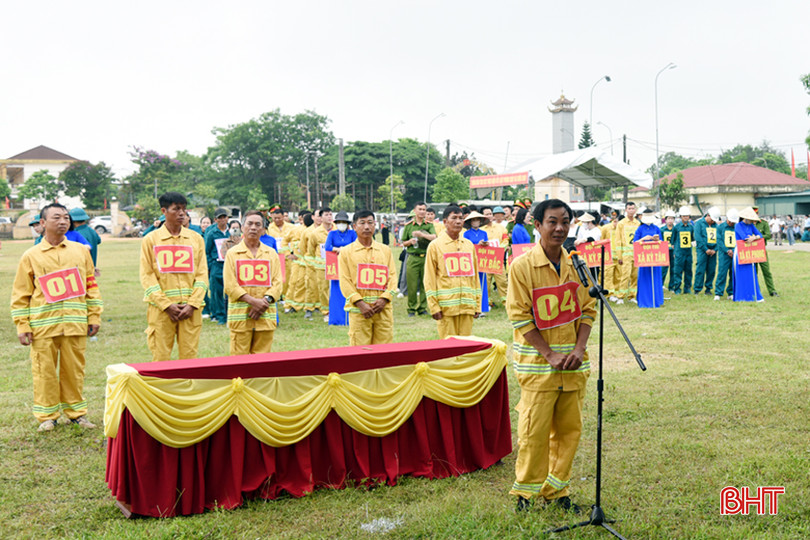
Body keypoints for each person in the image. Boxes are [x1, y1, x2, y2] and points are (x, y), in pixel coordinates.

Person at [507, 199, 596, 513]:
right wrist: (548, 354)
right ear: (538, 225)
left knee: (570, 431)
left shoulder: (577, 265)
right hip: (538, 368)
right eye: (552, 222)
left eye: (565, 221)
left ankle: (558, 490)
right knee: (534, 433)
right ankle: (526, 495)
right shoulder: (522, 266)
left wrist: (578, 349)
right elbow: (519, 316)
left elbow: (588, 310)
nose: (560, 228)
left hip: (573, 366)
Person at [11, 203, 103, 432]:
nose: (63, 221)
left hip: (74, 323)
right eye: (56, 217)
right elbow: (21, 293)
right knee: (44, 371)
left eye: (66, 217)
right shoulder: (31, 255)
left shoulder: (81, 251)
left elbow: (91, 285)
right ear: (42, 223)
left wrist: (94, 316)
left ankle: (76, 414)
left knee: (74, 370)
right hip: (43, 325)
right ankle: (47, 416)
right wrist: (23, 325)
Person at [140, 192, 209, 361]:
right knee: (161, 358)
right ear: (164, 211)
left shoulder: (196, 239)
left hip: (190, 311)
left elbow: (202, 274)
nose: (181, 213)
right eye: (176, 209)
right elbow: (147, 276)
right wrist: (165, 304)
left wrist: (192, 304)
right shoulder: (151, 240)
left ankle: (188, 388)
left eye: (184, 209)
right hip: (161, 312)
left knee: (190, 358)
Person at [223, 211, 283, 355]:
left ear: (263, 230)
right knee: (239, 363)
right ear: (242, 227)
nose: (253, 228)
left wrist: (265, 302)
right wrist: (253, 302)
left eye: (258, 225)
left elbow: (278, 283)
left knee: (262, 363)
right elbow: (230, 285)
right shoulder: (233, 254)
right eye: (249, 224)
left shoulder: (271, 254)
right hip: (241, 318)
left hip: (265, 316)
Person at [338, 210, 398, 345]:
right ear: (354, 226)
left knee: (384, 351)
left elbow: (393, 277)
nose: (367, 227)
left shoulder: (385, 250)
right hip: (359, 312)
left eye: (370, 223)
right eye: (362, 223)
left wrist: (384, 299)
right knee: (360, 352)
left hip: (383, 310)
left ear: (375, 225)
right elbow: (345, 281)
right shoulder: (346, 252)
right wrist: (360, 303)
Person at [424, 205, 481, 338]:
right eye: (454, 218)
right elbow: (429, 279)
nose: (458, 221)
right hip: (446, 309)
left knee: (466, 348)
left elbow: (475, 278)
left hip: (467, 306)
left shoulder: (468, 245)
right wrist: (434, 306)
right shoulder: (435, 246)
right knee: (449, 349)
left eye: (461, 218)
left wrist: (477, 305)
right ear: (445, 222)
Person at [402, 202, 437, 317]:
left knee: (425, 283)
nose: (422, 211)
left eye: (424, 209)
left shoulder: (429, 225)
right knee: (411, 284)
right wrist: (410, 242)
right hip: (413, 257)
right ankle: (411, 308)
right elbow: (403, 242)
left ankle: (422, 307)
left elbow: (434, 237)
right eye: (420, 209)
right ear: (415, 211)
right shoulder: (409, 226)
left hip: (426, 257)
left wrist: (421, 235)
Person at [325, 211, 357, 326]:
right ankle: (336, 319)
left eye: (344, 222)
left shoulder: (353, 233)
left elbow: (355, 246)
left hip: (349, 265)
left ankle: (349, 318)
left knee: (349, 289)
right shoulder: (332, 234)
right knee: (336, 292)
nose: (341, 224)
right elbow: (327, 247)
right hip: (335, 266)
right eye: (339, 222)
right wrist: (338, 249)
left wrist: (344, 249)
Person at [307, 208, 334, 322]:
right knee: (323, 289)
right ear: (321, 218)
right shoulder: (315, 233)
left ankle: (337, 309)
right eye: (326, 215)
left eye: (330, 214)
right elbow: (311, 250)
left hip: (335, 265)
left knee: (336, 288)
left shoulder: (337, 230)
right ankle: (326, 311)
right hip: (321, 266)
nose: (329, 217)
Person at [205, 208, 231, 324]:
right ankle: (220, 316)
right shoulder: (212, 233)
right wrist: (210, 265)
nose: (222, 220)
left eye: (224, 217)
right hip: (217, 264)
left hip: (229, 264)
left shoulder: (231, 232)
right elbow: (207, 250)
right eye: (219, 218)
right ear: (215, 220)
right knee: (217, 291)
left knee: (230, 290)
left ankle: (229, 314)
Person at [633, 211, 664, 308]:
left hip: (655, 256)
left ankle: (656, 300)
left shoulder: (656, 228)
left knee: (655, 277)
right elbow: (635, 243)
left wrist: (657, 240)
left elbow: (662, 242)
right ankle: (645, 300)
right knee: (645, 278)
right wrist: (644, 239)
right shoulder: (640, 229)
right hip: (644, 257)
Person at [734, 207, 764, 302]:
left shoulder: (751, 226)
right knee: (741, 274)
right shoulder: (738, 225)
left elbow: (760, 235)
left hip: (749, 252)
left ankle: (753, 295)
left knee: (751, 273)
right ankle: (741, 296)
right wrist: (753, 237)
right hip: (740, 251)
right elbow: (744, 238)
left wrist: (754, 237)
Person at [463, 211, 490, 315]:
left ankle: (483, 308)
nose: (476, 222)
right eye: (473, 220)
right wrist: (476, 245)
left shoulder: (484, 233)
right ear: (470, 222)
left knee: (483, 283)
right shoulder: (466, 234)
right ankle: (472, 306)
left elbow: (488, 245)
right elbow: (466, 247)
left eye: (477, 220)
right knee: (473, 283)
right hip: (471, 260)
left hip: (482, 260)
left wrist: (486, 244)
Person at [266, 205, 294, 300]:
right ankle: (278, 295)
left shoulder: (291, 227)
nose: (277, 220)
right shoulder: (269, 228)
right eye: (275, 218)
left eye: (279, 218)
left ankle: (288, 296)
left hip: (288, 256)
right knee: (277, 276)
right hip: (276, 256)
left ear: (283, 217)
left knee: (290, 276)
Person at [482, 206, 509, 307]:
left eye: (489, 214)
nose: (488, 216)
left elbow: (505, 240)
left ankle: (506, 302)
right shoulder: (481, 230)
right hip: (485, 261)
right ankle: (488, 302)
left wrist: (500, 248)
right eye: (486, 214)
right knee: (486, 283)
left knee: (502, 281)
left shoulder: (501, 228)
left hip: (497, 259)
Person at [615, 201, 641, 304]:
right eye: (629, 209)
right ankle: (620, 297)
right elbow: (618, 240)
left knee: (635, 276)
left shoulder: (638, 223)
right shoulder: (621, 224)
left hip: (636, 254)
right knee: (625, 275)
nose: (631, 210)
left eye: (633, 208)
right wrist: (619, 255)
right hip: (626, 254)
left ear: (635, 210)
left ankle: (632, 296)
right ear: (626, 210)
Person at [693, 207, 719, 296]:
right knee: (700, 269)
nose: (712, 222)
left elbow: (719, 238)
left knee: (711, 270)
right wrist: (706, 249)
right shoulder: (699, 224)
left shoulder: (715, 225)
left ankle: (708, 289)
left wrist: (715, 249)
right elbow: (698, 238)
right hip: (702, 250)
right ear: (708, 215)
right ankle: (697, 289)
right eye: (711, 219)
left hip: (713, 251)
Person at [753, 207, 779, 297]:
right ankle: (755, 290)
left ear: (758, 213)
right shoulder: (747, 224)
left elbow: (768, 235)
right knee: (753, 272)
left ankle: (772, 291)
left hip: (761, 250)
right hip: (751, 251)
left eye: (755, 214)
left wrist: (757, 237)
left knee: (766, 271)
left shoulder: (763, 223)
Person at [714, 209, 738, 300]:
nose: (731, 223)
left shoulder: (736, 227)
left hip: (734, 254)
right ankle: (718, 293)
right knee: (722, 273)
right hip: (724, 254)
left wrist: (733, 250)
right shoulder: (720, 227)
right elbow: (719, 241)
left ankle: (731, 292)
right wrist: (727, 250)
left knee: (733, 273)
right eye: (730, 221)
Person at [670, 206, 694, 295]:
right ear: (680, 217)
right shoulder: (676, 227)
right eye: (684, 216)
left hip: (688, 252)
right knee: (677, 271)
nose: (686, 218)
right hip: (679, 253)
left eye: (687, 216)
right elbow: (673, 240)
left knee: (688, 271)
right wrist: (675, 252)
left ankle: (687, 288)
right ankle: (677, 288)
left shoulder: (691, 227)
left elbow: (692, 239)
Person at [600, 212, 622, 302]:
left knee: (618, 276)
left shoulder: (622, 229)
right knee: (608, 276)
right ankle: (610, 294)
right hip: (608, 257)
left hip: (619, 257)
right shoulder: (605, 228)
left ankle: (617, 293)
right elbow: (601, 241)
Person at [659, 210, 676, 291]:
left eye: (672, 218)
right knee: (663, 269)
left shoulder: (675, 229)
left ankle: (671, 286)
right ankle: (660, 284)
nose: (670, 220)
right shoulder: (662, 229)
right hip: (664, 251)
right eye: (669, 218)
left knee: (673, 269)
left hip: (673, 251)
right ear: (665, 219)